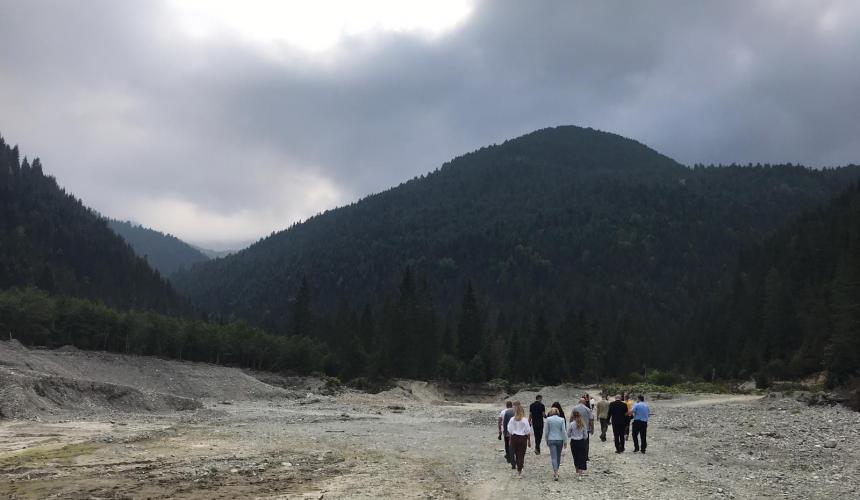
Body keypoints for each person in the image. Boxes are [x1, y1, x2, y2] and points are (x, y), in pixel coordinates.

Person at [507, 401, 532, 477]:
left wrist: (510, 439)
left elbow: (510, 430)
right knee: (521, 454)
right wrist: (529, 441)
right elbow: (527, 431)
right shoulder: (525, 420)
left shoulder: (512, 419)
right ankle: (519, 471)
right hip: (522, 438)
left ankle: (517, 465)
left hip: (514, 438)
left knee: (515, 453)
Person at [544, 407, 567, 481]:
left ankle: (555, 472)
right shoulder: (561, 419)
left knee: (553, 457)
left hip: (551, 439)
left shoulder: (548, 419)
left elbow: (546, 431)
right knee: (558, 456)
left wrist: (546, 439)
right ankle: (557, 471)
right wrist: (565, 441)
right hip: (560, 439)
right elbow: (564, 431)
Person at [567, 406, 589, 478]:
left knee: (575, 456)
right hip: (581, 442)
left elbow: (568, 434)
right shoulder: (583, 424)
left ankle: (577, 470)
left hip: (574, 442)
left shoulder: (571, 424)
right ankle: (580, 473)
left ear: (573, 417)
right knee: (581, 457)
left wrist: (572, 434)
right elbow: (586, 435)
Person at [498, 401, 515, 466]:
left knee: (507, 443)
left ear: (506, 405)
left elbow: (499, 421)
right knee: (512, 443)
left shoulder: (503, 412)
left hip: (505, 430)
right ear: (511, 405)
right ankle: (512, 456)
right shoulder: (514, 411)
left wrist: (499, 430)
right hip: (513, 430)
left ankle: (508, 456)